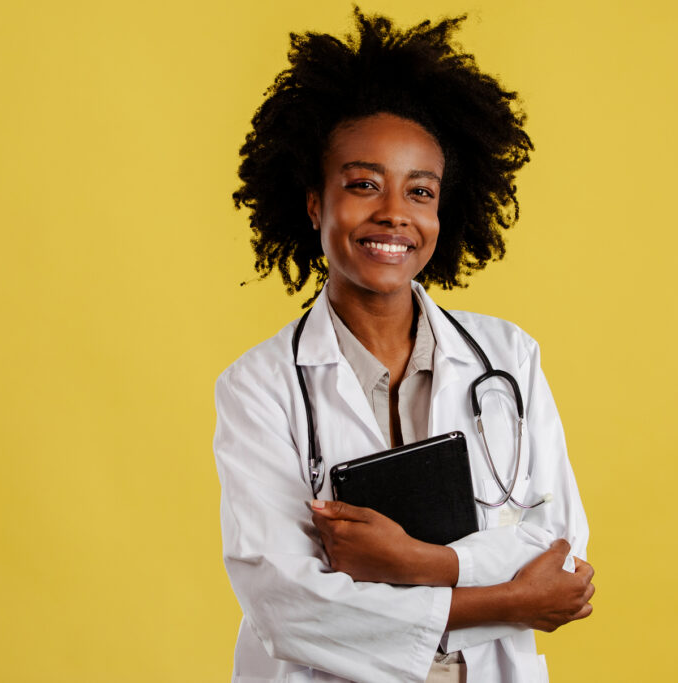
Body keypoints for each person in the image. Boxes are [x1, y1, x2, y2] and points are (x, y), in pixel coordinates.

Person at [214, 10, 595, 682]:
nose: (395, 212)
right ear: (313, 203)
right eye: (364, 184)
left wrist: (417, 565)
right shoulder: (259, 385)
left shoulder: (507, 358)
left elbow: (560, 553)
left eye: (420, 190)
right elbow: (288, 607)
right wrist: (509, 598)